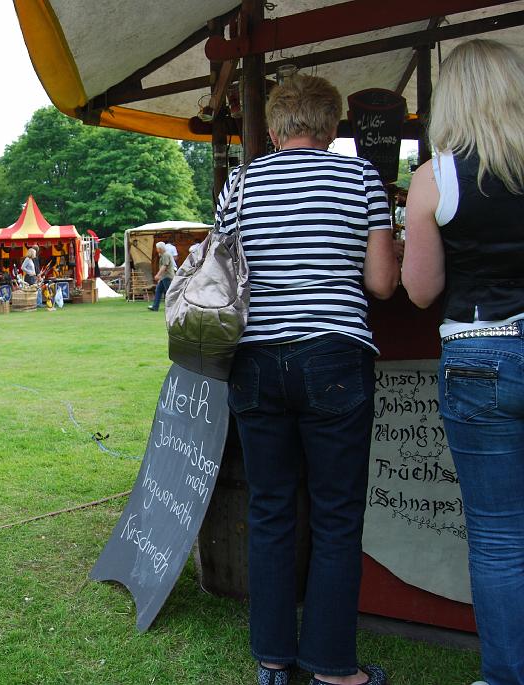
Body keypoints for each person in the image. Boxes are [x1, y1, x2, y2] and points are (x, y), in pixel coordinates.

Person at [221, 75, 399, 685]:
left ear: (273, 129)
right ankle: (330, 668)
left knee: (269, 509)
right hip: (335, 357)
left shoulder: (240, 185)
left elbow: (224, 279)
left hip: (256, 360)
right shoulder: (362, 181)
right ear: (332, 128)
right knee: (336, 517)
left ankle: (273, 661)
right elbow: (381, 284)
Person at [402, 39, 524, 685]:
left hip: (483, 352)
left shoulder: (435, 176)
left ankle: (507, 675)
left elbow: (419, 290)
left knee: (502, 537)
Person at [147, 242, 175, 312]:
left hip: (167, 276)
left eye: (157, 248)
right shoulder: (163, 255)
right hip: (164, 277)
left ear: (160, 248)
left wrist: (158, 275)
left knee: (169, 292)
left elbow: (164, 266)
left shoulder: (165, 255)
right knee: (158, 291)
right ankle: (155, 307)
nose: (156, 249)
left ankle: (172, 307)